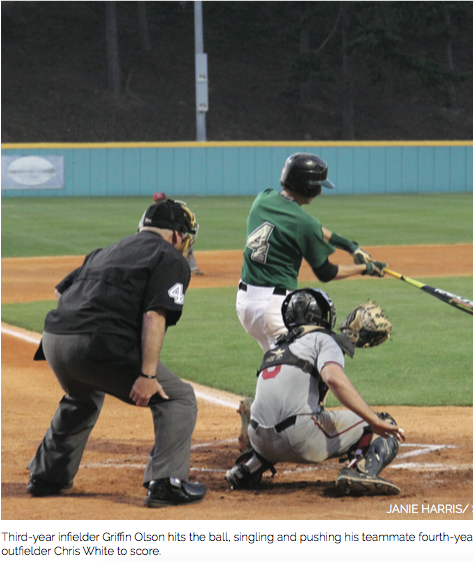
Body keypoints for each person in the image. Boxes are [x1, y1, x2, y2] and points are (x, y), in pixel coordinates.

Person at [27, 199, 206, 508]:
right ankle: (166, 482)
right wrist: (147, 375)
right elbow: (155, 315)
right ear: (176, 235)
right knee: (178, 399)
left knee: (82, 396)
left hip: (53, 340)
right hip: (93, 343)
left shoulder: (107, 250)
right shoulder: (169, 257)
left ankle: (46, 475)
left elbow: (62, 292)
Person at [226, 288, 405, 496]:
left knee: (278, 418)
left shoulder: (277, 346)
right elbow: (332, 378)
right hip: (299, 438)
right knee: (382, 422)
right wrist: (373, 420)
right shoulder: (324, 339)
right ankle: (360, 470)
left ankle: (247, 468)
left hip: (258, 438)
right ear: (322, 315)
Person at [236, 152, 387, 353]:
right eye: (317, 186)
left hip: (245, 303)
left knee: (273, 365)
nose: (320, 192)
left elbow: (313, 229)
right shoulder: (304, 223)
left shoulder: (263, 198)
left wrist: (350, 246)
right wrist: (365, 268)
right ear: (306, 186)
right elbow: (326, 272)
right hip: (274, 309)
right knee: (306, 366)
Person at [153, 192, 204, 275]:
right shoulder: (149, 213)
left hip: (169, 236)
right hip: (155, 238)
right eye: (158, 201)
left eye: (162, 201)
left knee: (187, 242)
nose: (160, 203)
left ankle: (193, 268)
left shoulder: (171, 210)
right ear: (154, 202)